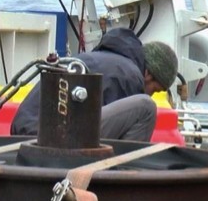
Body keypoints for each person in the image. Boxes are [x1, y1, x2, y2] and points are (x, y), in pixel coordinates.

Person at [10, 27, 178, 141]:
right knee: (145, 108)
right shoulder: (130, 76)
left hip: (23, 133)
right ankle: (123, 181)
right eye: (154, 90)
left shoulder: (101, 60)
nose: (150, 93)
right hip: (48, 138)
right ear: (148, 74)